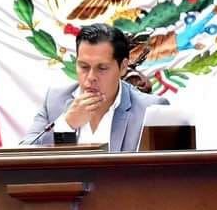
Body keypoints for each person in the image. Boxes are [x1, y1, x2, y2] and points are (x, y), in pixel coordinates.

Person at [22, 23, 168, 151]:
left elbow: (166, 170)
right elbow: (23, 156)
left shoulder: (151, 109)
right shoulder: (55, 101)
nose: (91, 77)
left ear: (123, 67)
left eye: (102, 68)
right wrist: (66, 125)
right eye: (84, 67)